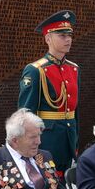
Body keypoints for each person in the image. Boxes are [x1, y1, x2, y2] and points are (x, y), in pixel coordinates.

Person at [19, 10, 80, 173]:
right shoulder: (35, 70)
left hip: (68, 138)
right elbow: (26, 114)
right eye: (62, 35)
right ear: (48, 38)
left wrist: (75, 140)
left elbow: (74, 110)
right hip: (46, 141)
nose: (68, 39)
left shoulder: (73, 69)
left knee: (64, 186)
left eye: (69, 35)